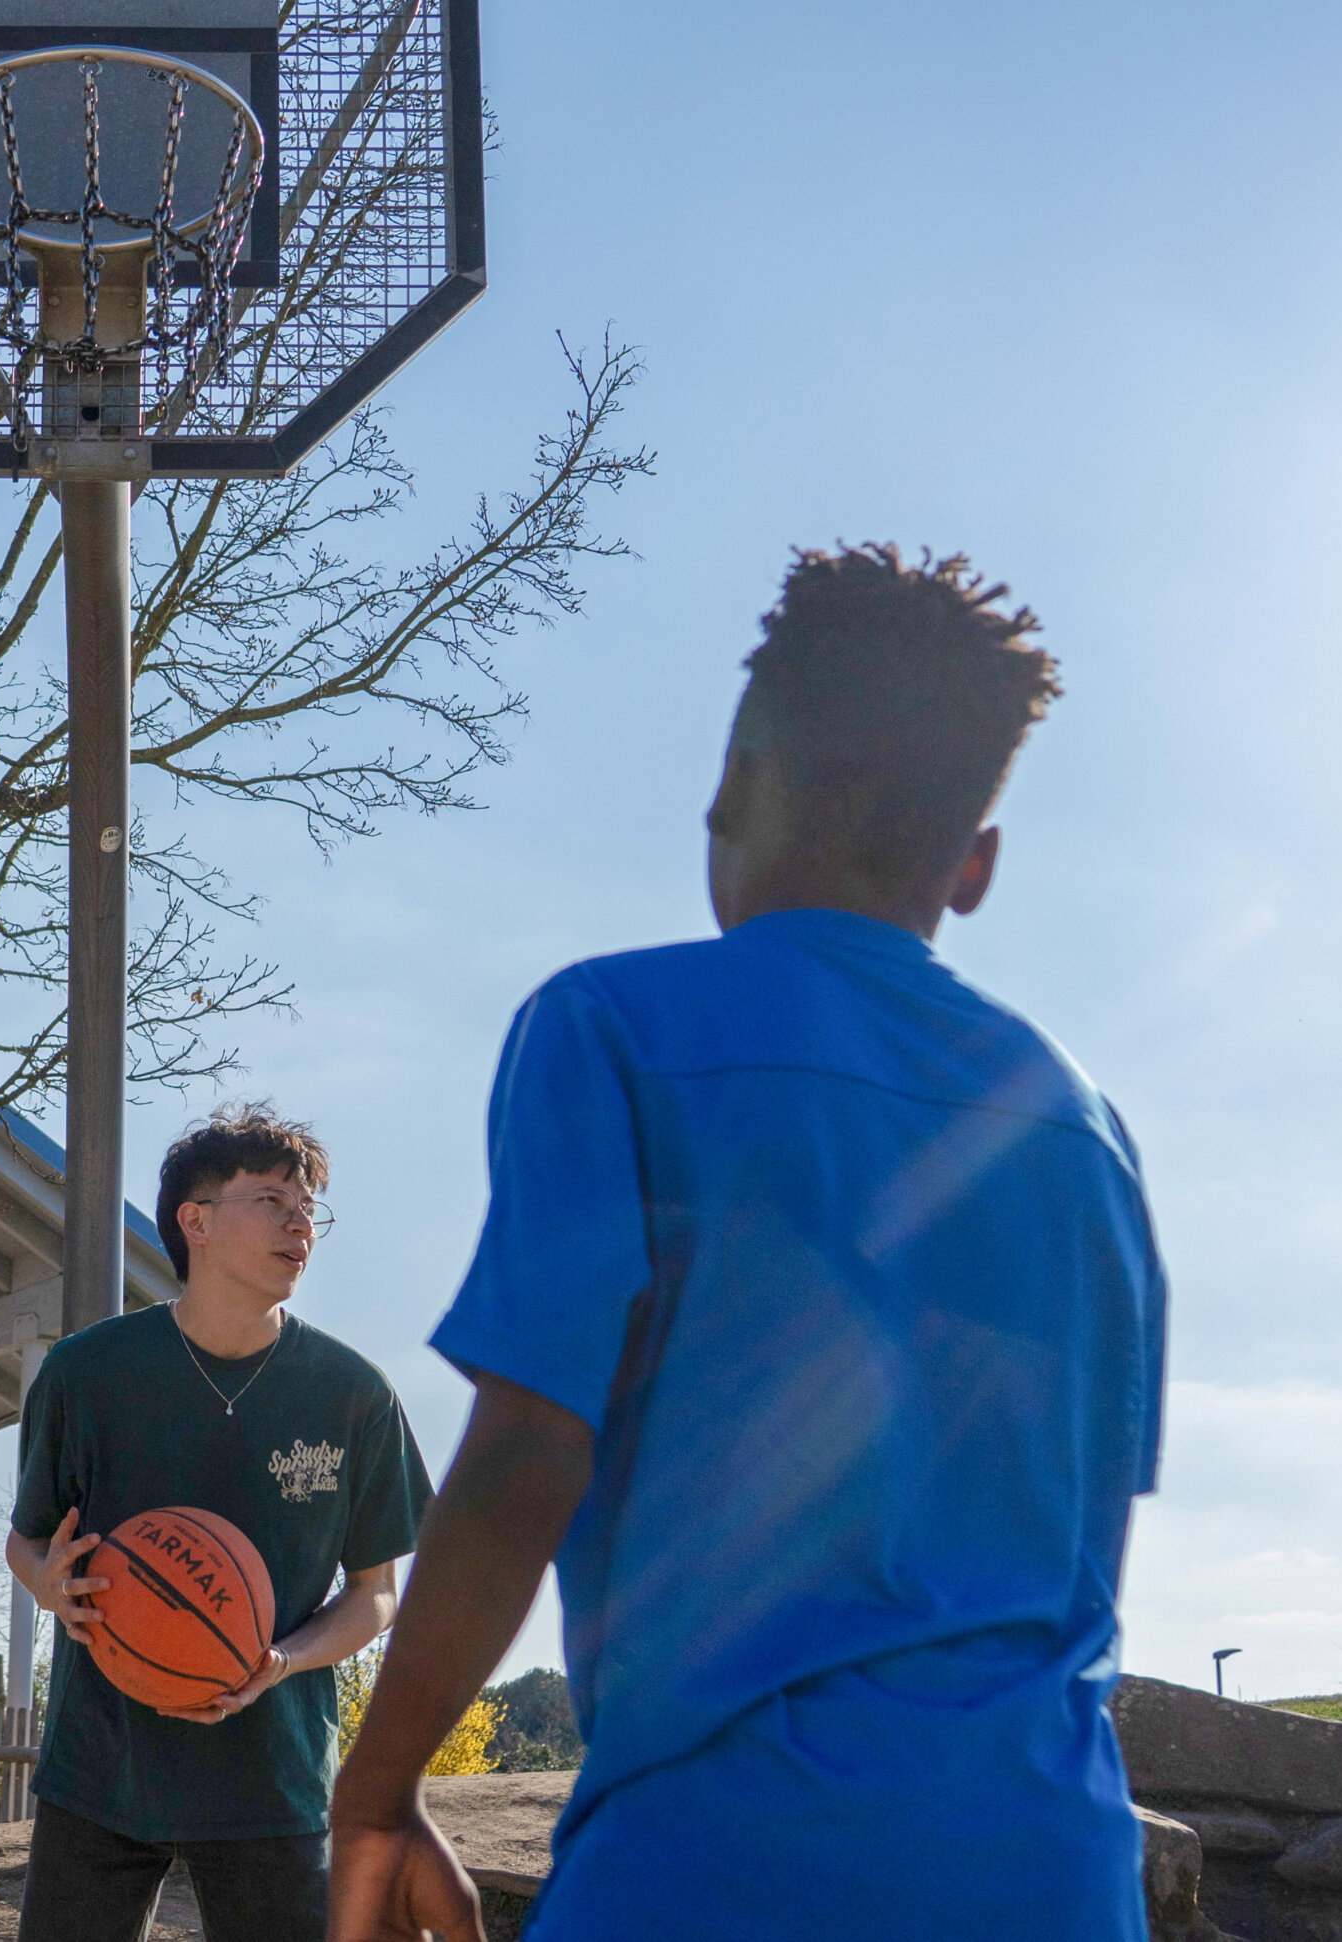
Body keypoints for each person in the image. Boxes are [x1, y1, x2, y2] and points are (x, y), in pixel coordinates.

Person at [329, 546, 1168, 1941]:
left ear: (730, 792)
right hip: (1058, 1875)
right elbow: (1081, 1541)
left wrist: (377, 1790)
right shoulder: (1089, 1133)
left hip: (716, 1863)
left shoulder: (611, 1029)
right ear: (977, 865)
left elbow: (531, 1449)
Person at [9, 1105, 435, 1942]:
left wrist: (283, 1660)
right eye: (274, 1198)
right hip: (103, 1768)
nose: (301, 1221)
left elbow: (377, 1594)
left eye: (310, 1206)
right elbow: (27, 1540)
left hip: (272, 1778)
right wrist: (49, 1584)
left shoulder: (354, 1392)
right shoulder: (87, 1374)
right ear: (194, 1221)